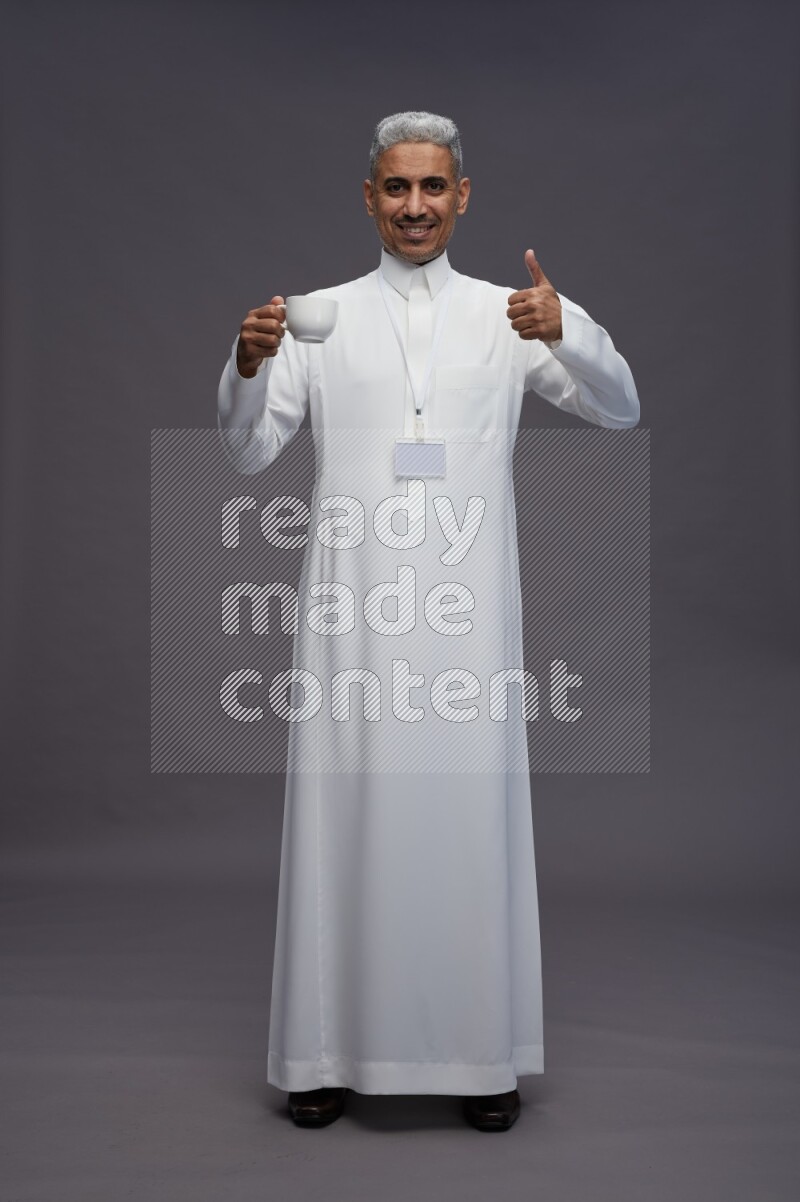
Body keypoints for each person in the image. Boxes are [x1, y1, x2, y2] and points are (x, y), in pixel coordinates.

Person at [217, 111, 640, 1132]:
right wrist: (243, 362)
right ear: (368, 198)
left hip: (466, 615)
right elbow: (246, 455)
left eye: (432, 187)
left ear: (461, 197)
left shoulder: (510, 313)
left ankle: (477, 1053)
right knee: (342, 814)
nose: (415, 206)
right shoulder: (315, 317)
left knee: (465, 819)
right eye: (396, 188)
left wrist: (567, 329)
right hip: (350, 609)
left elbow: (617, 407)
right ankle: (321, 1053)